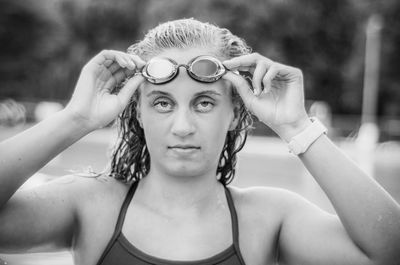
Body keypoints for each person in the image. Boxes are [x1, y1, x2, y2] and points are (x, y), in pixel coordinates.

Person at [0, 18, 399, 265]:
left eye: (204, 102)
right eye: (162, 102)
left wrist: (297, 127)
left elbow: (387, 252)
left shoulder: (268, 218)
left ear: (236, 113)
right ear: (137, 111)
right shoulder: (90, 206)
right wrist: (76, 119)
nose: (183, 125)